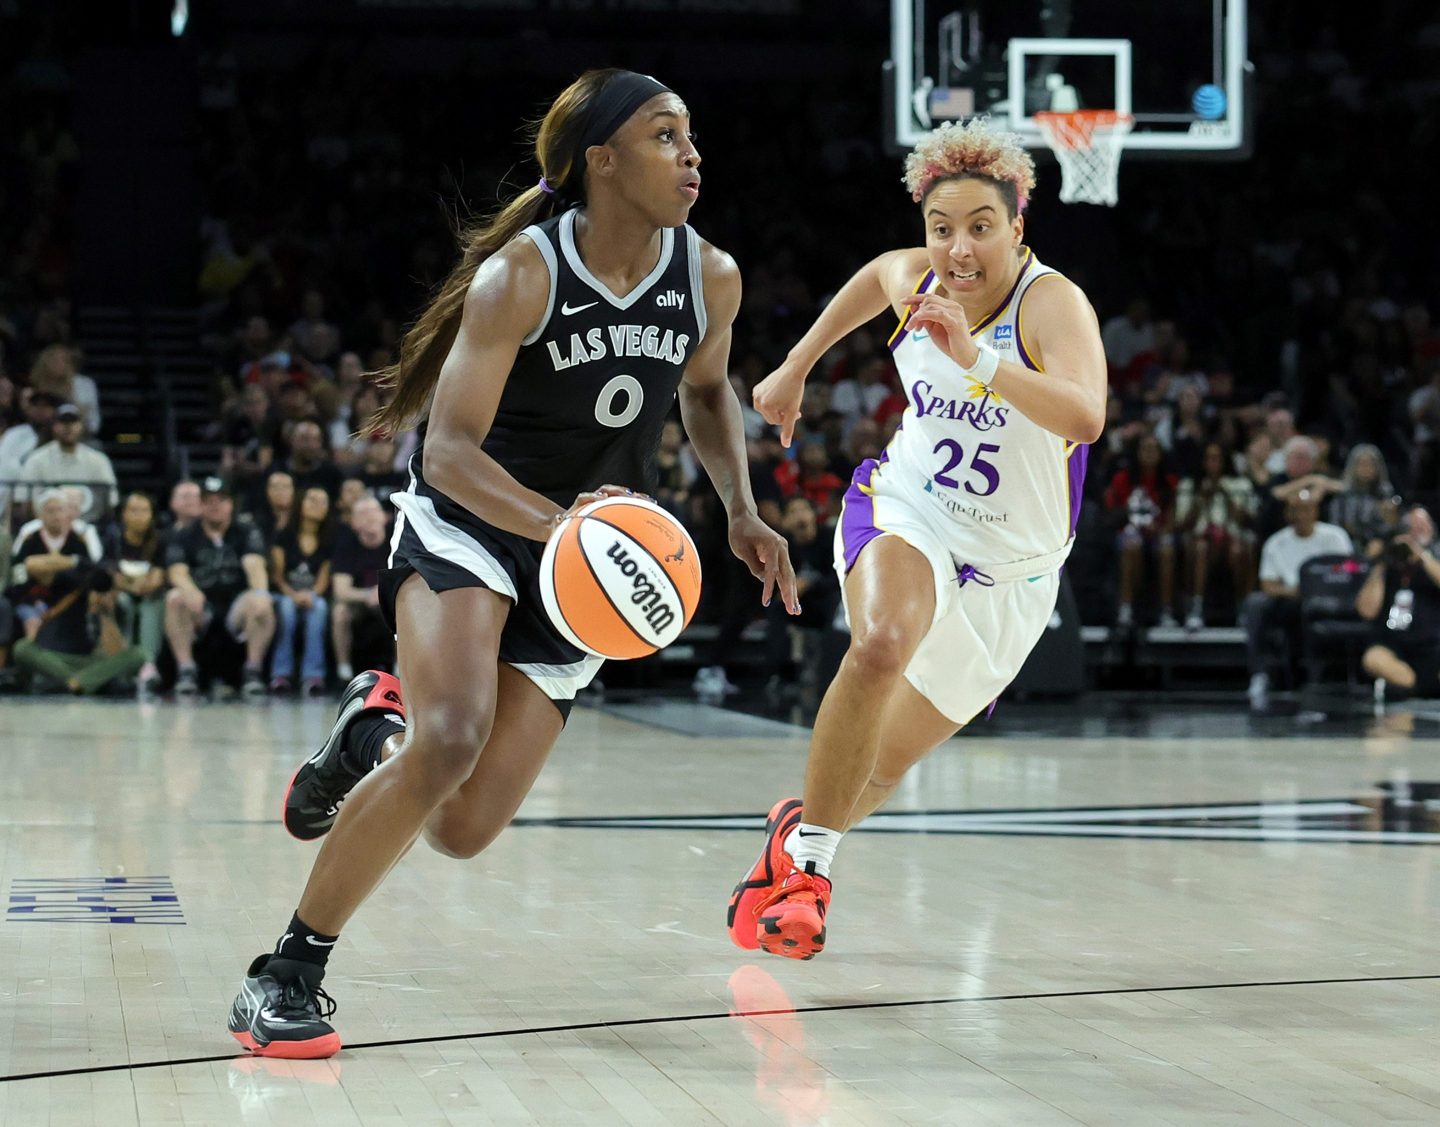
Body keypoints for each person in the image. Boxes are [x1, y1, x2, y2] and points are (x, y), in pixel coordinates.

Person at [225, 69, 796, 1059]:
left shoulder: (712, 277)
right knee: (450, 739)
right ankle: (286, 971)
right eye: (666, 137)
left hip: (578, 564)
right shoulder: (523, 275)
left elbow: (707, 392)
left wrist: (742, 505)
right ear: (601, 161)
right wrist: (562, 526)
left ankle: (372, 730)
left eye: (693, 136)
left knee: (461, 827)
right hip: (473, 525)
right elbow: (445, 451)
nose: (692, 154)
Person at [728, 116, 1105, 960]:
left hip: (1016, 572)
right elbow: (873, 277)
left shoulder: (1052, 304)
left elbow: (1085, 415)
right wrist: (795, 365)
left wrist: (976, 358)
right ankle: (810, 873)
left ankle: (794, 833)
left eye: (979, 227)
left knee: (884, 768)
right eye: (941, 230)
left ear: (1017, 226)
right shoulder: (917, 279)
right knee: (882, 643)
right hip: (914, 509)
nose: (958, 249)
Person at [163, 476, 275, 697]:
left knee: (260, 601)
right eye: (209, 500)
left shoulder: (246, 530)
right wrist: (190, 591)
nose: (215, 506)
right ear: (201, 505)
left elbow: (254, 564)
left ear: (231, 504)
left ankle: (252, 671)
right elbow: (176, 571)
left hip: (236, 605)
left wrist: (261, 593)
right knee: (175, 598)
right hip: (201, 607)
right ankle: (186, 670)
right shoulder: (185, 534)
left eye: (221, 500)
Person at [1243, 492, 1354, 711]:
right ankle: (1260, 674)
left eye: (1306, 509)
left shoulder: (1335, 536)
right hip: (1290, 599)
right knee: (1255, 603)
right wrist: (1292, 591)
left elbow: (1350, 570)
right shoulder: (1276, 542)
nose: (1301, 515)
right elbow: (1268, 584)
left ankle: (1321, 677)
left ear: (1316, 511)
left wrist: (1319, 587)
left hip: (1330, 599)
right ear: (1287, 514)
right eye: (1296, 509)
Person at [1357, 505, 1440, 705]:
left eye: (1422, 525)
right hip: (1393, 641)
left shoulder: (1434, 558)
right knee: (1374, 658)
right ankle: (1416, 687)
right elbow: (1366, 610)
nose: (1416, 531)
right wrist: (1382, 563)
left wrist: (1421, 555)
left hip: (1433, 643)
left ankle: (1420, 688)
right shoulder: (1388, 567)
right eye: (1410, 527)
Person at [269, 485, 334, 695]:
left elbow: (323, 579)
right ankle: (281, 674)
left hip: (312, 595)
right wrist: (293, 594)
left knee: (320, 608)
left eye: (322, 501)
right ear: (300, 504)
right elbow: (277, 576)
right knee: (287, 609)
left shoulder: (328, 539)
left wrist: (311, 594)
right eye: (311, 499)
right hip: (285, 593)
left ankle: (313, 676)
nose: (317, 505)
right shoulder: (284, 535)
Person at [106, 490, 168, 691]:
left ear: (152, 515)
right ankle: (122, 663)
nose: (139, 515)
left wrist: (134, 582)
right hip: (122, 594)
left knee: (154, 605)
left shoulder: (159, 540)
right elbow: (112, 576)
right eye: (133, 510)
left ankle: (148, 665)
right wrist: (133, 583)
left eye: (144, 510)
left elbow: (156, 579)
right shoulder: (114, 539)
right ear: (123, 514)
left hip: (149, 595)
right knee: (121, 602)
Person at [330, 495, 394, 679]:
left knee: (403, 610)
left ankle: (400, 668)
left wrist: (382, 593)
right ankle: (343, 672)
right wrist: (367, 594)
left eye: (374, 511)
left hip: (390, 599)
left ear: (384, 517)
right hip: (358, 602)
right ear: (354, 523)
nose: (370, 517)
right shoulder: (346, 546)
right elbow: (341, 590)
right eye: (363, 513)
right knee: (340, 612)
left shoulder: (397, 541)